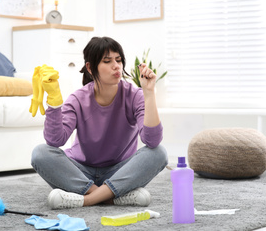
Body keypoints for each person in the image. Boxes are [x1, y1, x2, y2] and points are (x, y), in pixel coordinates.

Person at [31, 36, 168, 209]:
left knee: (159, 153)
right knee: (40, 153)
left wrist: (149, 93)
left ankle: (87, 199)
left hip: (119, 171)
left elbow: (152, 140)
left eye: (118, 60)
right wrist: (54, 103)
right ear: (90, 67)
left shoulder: (134, 95)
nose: (116, 65)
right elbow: (55, 141)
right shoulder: (78, 99)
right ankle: (111, 197)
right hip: (81, 171)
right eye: (107, 61)